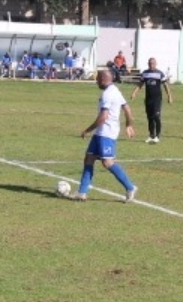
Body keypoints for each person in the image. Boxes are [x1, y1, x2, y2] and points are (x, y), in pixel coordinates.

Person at [67, 68, 137, 203]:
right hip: (102, 133)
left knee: (107, 162)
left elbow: (103, 117)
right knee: (89, 159)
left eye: (98, 79)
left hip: (106, 133)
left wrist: (88, 130)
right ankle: (82, 193)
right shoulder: (115, 90)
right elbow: (126, 108)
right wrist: (129, 124)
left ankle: (130, 187)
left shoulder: (108, 94)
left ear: (104, 79)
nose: (96, 81)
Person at [131, 57, 173, 144]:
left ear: (156, 64)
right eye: (150, 63)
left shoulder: (160, 74)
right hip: (148, 99)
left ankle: (157, 136)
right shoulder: (145, 73)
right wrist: (134, 93)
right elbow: (140, 84)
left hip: (157, 99)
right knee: (149, 117)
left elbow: (165, 85)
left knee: (156, 116)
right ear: (148, 64)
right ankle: (151, 135)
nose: (151, 65)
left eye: (153, 63)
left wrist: (169, 96)